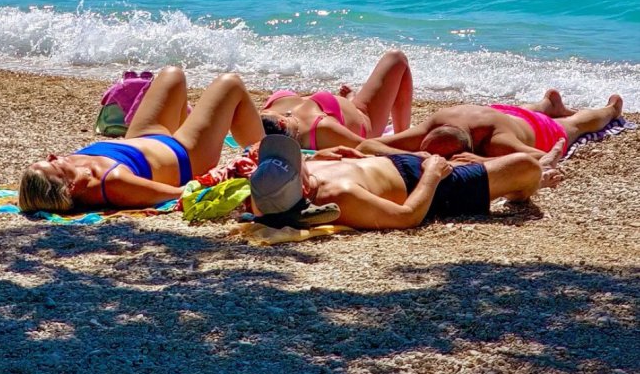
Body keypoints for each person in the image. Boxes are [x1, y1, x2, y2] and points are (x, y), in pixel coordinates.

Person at [19, 66, 264, 214]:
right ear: (70, 188)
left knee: (172, 74)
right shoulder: (113, 183)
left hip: (143, 137)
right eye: (53, 165)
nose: (53, 156)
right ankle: (270, 158)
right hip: (186, 154)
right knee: (230, 84)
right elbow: (179, 193)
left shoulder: (75, 169)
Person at [248, 132, 562, 232]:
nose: (300, 160)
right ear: (303, 189)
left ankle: (519, 171)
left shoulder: (268, 188)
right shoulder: (340, 196)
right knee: (525, 167)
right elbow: (407, 216)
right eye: (297, 163)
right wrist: (433, 174)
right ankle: (530, 184)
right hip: (428, 186)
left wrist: (322, 156)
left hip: (395, 164)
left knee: (368, 144)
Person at [373, 89, 624, 161]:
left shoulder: (497, 143)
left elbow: (544, 156)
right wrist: (414, 153)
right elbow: (368, 145)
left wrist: (483, 161)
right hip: (499, 114)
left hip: (536, 127)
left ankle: (612, 109)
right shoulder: (434, 125)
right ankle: (549, 102)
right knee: (519, 113)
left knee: (576, 124)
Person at [259, 50, 413, 150]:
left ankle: (349, 102)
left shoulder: (267, 119)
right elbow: (368, 147)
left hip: (344, 114)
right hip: (365, 119)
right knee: (397, 58)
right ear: (282, 122)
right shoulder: (322, 129)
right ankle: (402, 135)